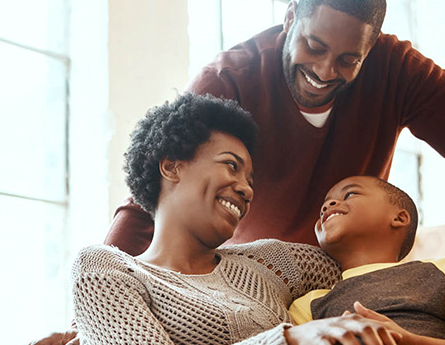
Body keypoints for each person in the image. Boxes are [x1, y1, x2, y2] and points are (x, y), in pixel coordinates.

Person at [105, 0, 445, 258]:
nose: (325, 71)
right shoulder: (228, 83)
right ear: (290, 16)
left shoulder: (397, 71)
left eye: (348, 60)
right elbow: (154, 198)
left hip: (349, 276)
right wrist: (89, 319)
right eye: (314, 47)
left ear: (370, 49)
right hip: (251, 275)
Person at [71, 93, 402, 345]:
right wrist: (290, 338)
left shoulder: (273, 261)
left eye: (251, 180)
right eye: (231, 165)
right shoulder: (105, 268)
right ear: (172, 166)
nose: (245, 189)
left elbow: (368, 261)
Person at [288, 175, 445, 344]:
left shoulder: (437, 269)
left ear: (399, 218)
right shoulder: (308, 303)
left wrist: (410, 341)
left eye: (349, 194)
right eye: (322, 208)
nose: (327, 206)